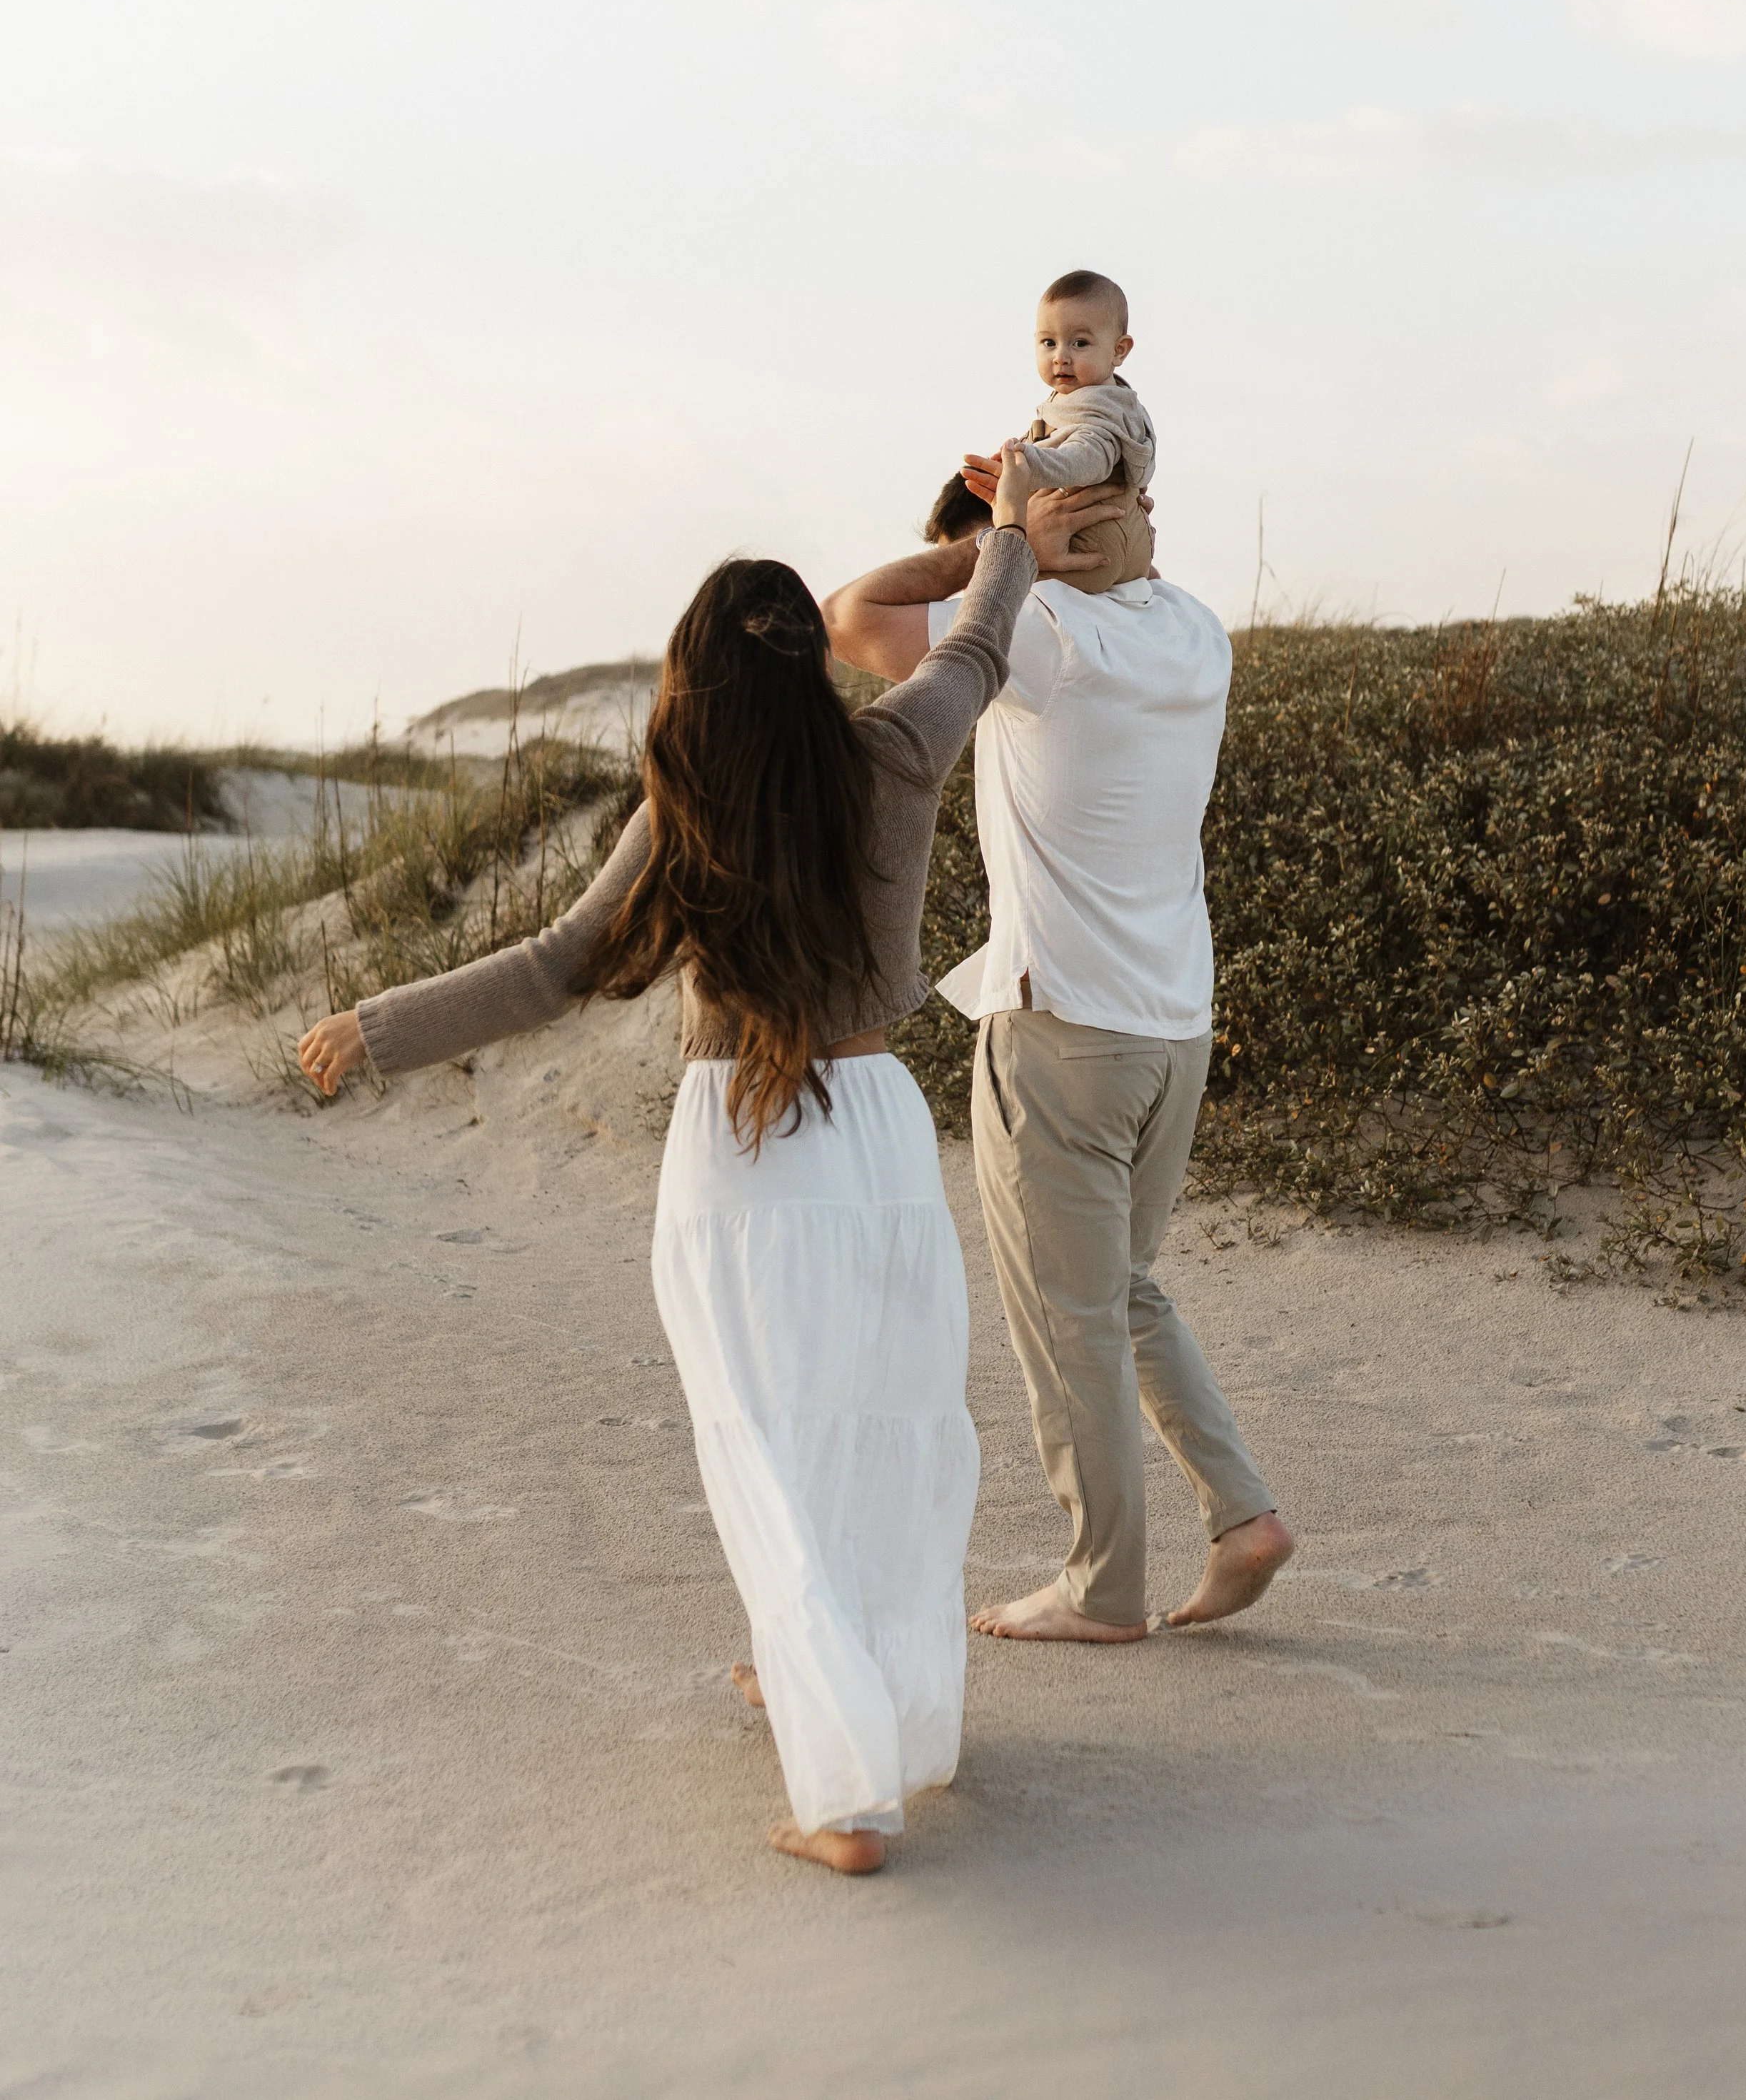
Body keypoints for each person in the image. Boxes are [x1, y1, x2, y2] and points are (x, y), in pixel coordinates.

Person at [296, 445, 1052, 1879]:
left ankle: (839, 1801)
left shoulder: (682, 801)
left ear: (690, 678)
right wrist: (1001, 529)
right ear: (805, 667)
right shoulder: (893, 750)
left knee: (768, 1441)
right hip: (878, 1130)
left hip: (746, 1152)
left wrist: (378, 1027)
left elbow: (558, 967)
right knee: (878, 1429)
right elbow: (982, 638)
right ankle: (841, 1684)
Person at [823, 476, 1293, 1645]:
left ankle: (1102, 1588)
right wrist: (1042, 529)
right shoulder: (1191, 629)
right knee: (1120, 1287)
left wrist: (986, 560)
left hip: (1061, 1029)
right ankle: (1243, 1518)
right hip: (1174, 1023)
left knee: (1063, 1312)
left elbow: (847, 618)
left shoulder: (1034, 636)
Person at [963, 269, 1155, 594]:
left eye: (1080, 343)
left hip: (1091, 547)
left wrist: (1027, 467)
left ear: (1119, 350)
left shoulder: (1100, 410)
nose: (1061, 357)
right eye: (1049, 342)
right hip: (1125, 541)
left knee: (1002, 592)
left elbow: (1088, 458)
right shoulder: (1085, 400)